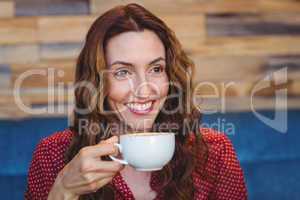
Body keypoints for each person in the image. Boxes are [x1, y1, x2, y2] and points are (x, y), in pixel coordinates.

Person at [25, 3, 247, 200]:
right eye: (123, 72)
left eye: (156, 69)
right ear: (96, 81)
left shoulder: (213, 152)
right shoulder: (53, 155)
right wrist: (63, 190)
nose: (145, 89)